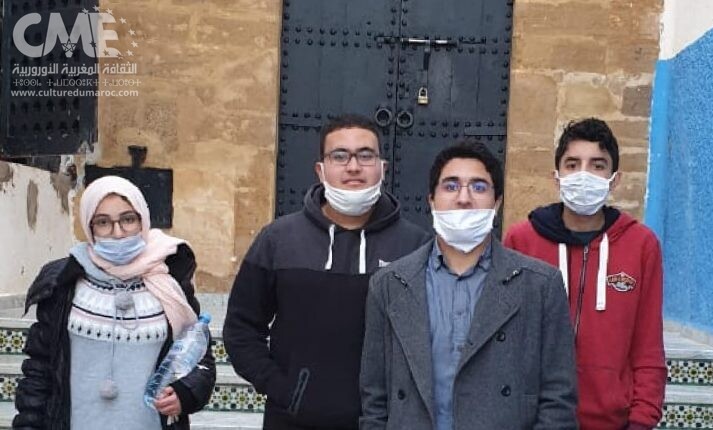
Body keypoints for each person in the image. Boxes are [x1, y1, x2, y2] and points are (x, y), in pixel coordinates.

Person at [223, 114, 431, 429]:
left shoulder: (416, 246)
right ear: (321, 170)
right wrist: (282, 390)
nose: (353, 166)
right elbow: (241, 328)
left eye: (366, 155)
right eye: (339, 156)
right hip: (292, 421)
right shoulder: (278, 239)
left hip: (382, 422)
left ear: (383, 167)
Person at [360, 140, 577, 430]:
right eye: (450, 186)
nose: (464, 198)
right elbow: (374, 398)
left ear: (497, 203)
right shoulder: (389, 284)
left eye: (479, 187)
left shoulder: (540, 285)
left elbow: (558, 399)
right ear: (431, 200)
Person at [13, 176, 216, 430]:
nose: (118, 233)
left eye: (128, 219)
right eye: (103, 222)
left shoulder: (170, 282)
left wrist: (185, 393)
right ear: (90, 227)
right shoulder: (64, 283)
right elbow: (39, 370)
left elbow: (200, 357)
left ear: (142, 220)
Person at [504, 118, 667, 429]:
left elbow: (648, 348)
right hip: (534, 420)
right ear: (556, 177)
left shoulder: (641, 245)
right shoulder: (521, 241)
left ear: (614, 179)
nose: (583, 175)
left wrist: (641, 421)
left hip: (611, 421)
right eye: (572, 164)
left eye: (597, 165)